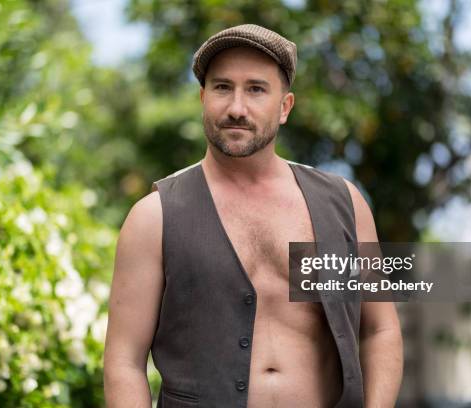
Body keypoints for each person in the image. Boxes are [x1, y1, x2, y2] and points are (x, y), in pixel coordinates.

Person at [104, 24, 403, 408]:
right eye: (222, 87)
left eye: (256, 89)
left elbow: (380, 330)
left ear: (285, 107)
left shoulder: (344, 204)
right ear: (202, 97)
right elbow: (124, 361)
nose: (236, 108)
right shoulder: (154, 217)